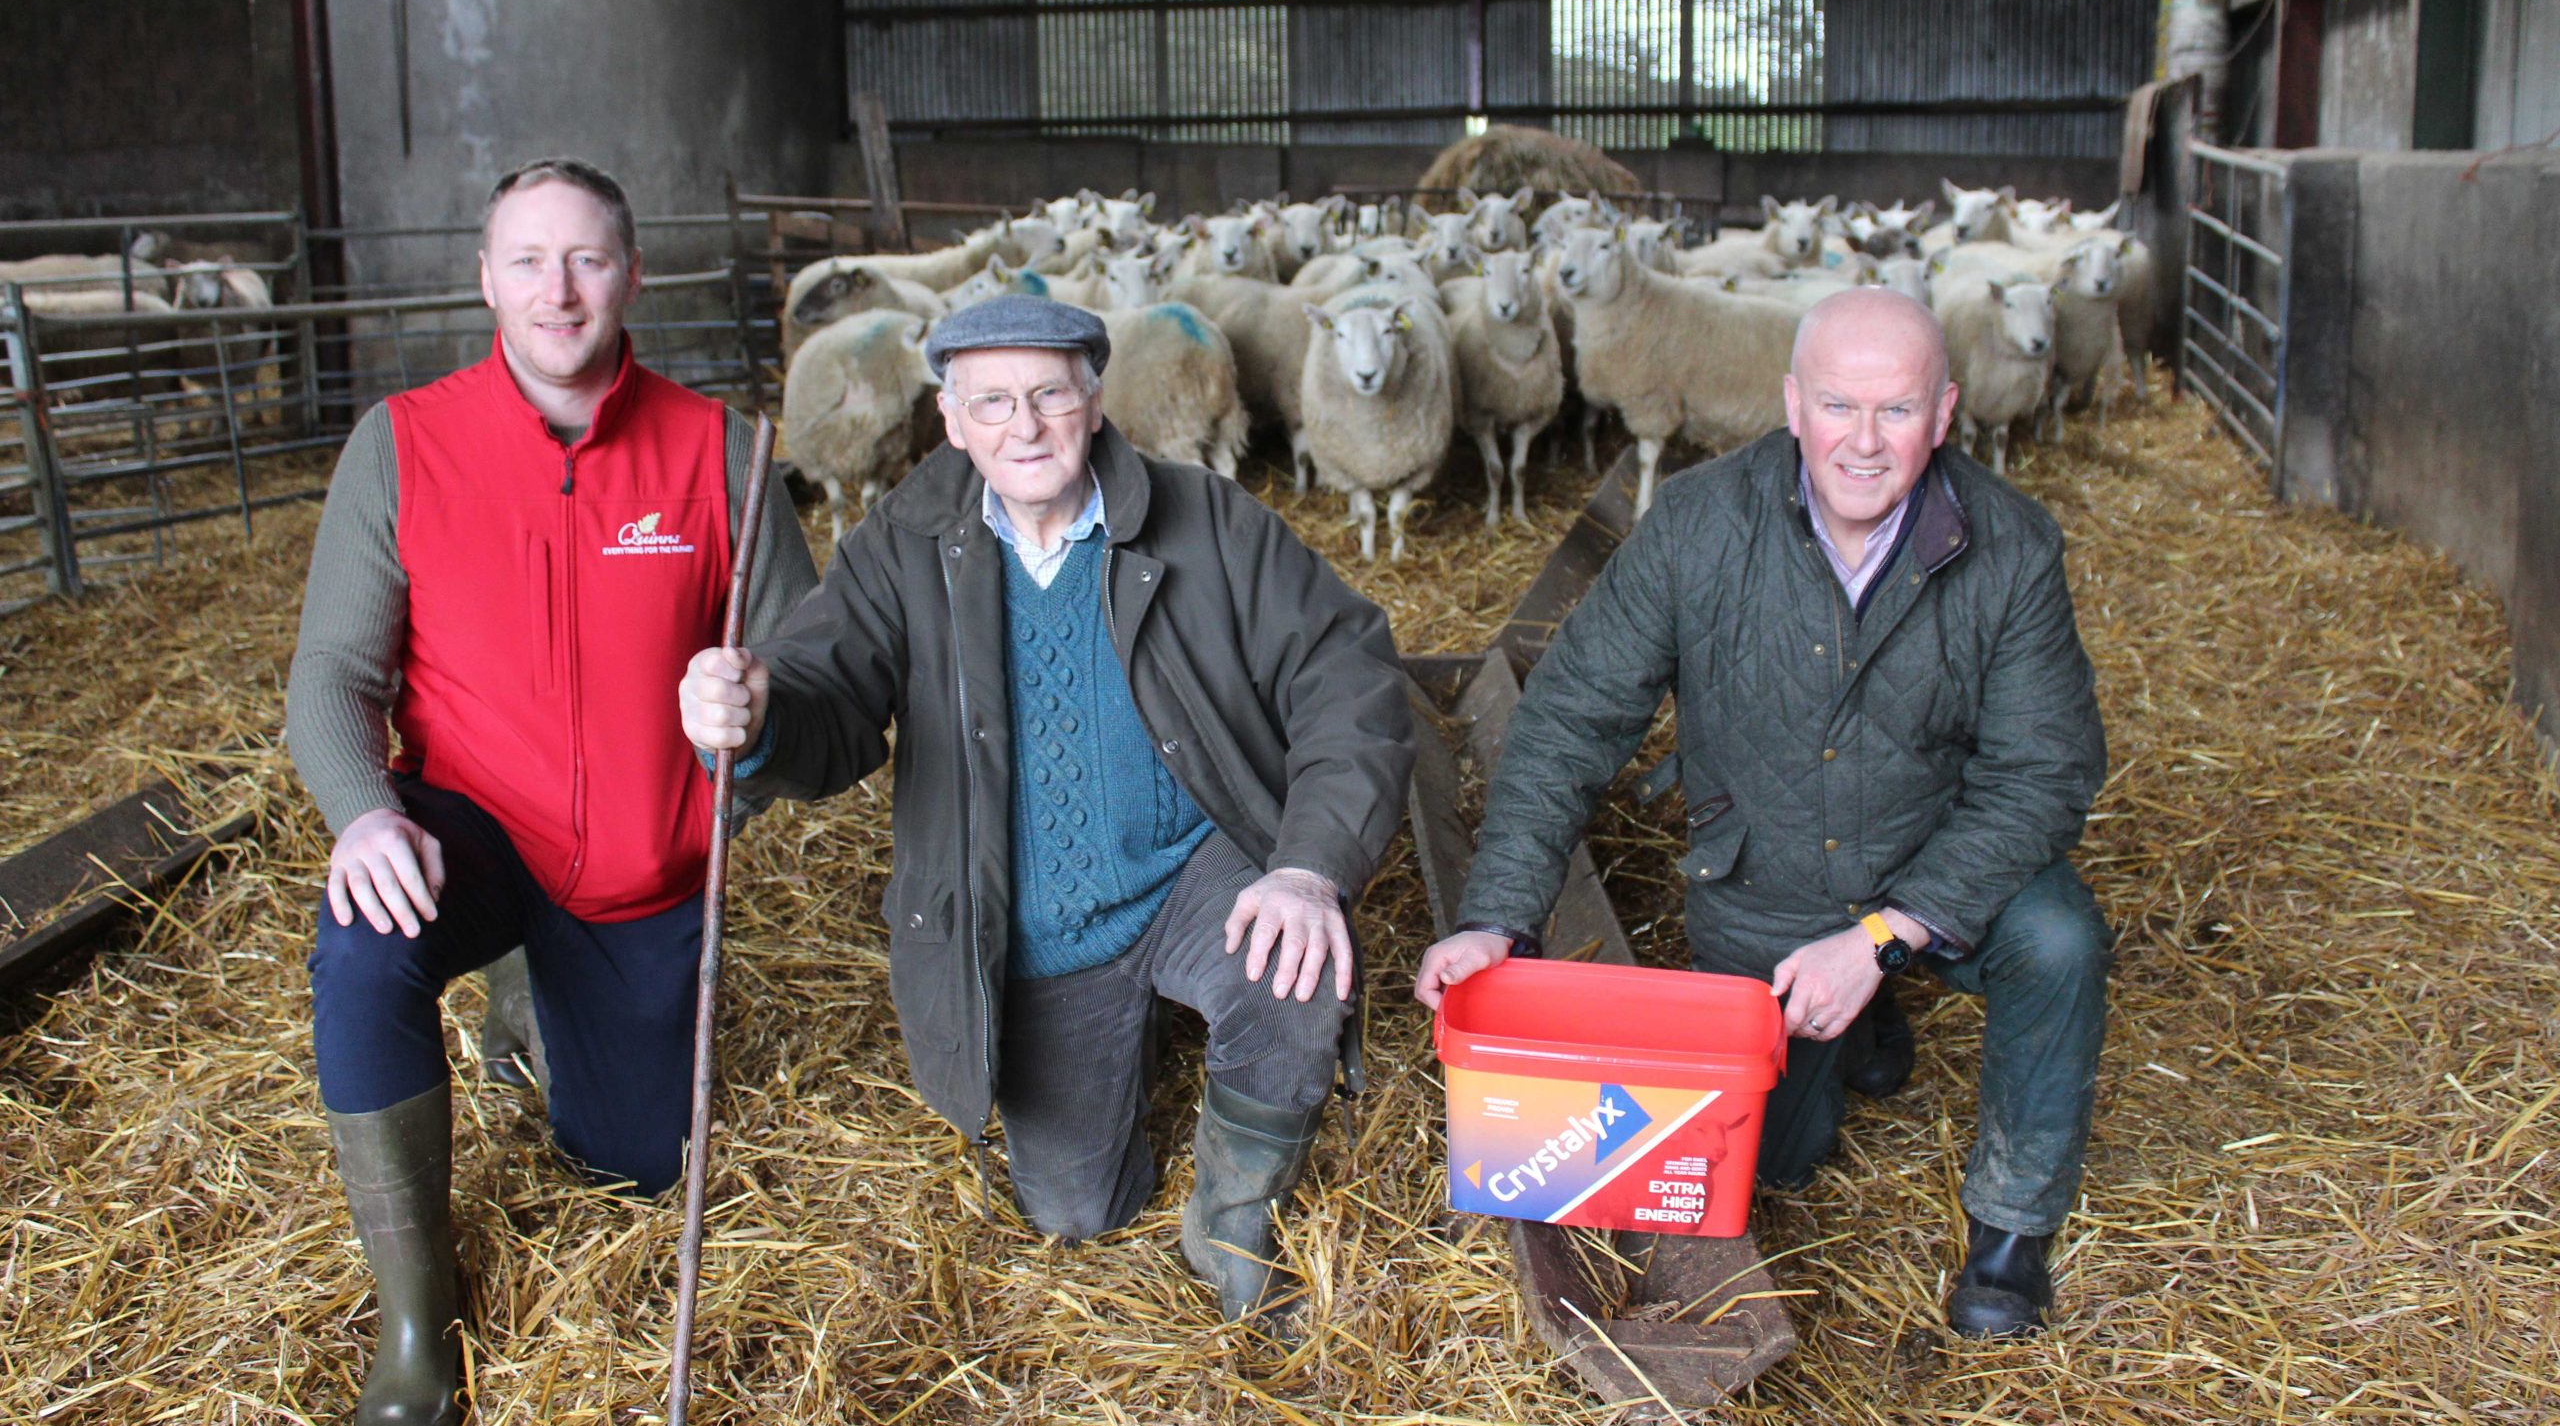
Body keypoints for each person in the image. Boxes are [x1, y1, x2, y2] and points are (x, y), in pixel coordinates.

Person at [678, 295, 1411, 1332]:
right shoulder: (904, 545)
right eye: (992, 403)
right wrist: (755, 715)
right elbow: (825, 697)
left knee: (1293, 967)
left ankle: (1234, 1224)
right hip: (1032, 923)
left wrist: (1307, 862)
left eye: (1048, 395)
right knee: (1074, 1212)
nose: (1023, 426)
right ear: (949, 419)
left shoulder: (1201, 518)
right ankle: (1122, 1058)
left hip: (1191, 868)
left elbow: (1349, 670)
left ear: (1094, 401)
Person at [1415, 287, 2110, 1338]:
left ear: (1946, 412)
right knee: (1773, 1166)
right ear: (1791, 403)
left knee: (2058, 940)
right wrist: (1497, 916)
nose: (1865, 443)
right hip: (1770, 886)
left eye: (1897, 411)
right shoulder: (1699, 524)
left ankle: (2011, 1232)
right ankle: (1861, 1023)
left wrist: (1882, 935)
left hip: (1939, 866)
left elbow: (2044, 773)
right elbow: (1568, 720)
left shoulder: (2009, 547)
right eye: (1840, 406)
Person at [284, 158, 816, 1426]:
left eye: (585, 258)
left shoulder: (722, 452)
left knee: (631, 1161)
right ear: (486, 280)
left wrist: (765, 712)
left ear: (633, 275)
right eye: (527, 259)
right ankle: (416, 1322)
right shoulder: (405, 443)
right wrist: (361, 814)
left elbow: (821, 677)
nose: (557, 288)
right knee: (362, 940)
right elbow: (334, 676)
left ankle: (550, 992)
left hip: (643, 858)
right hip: (469, 819)